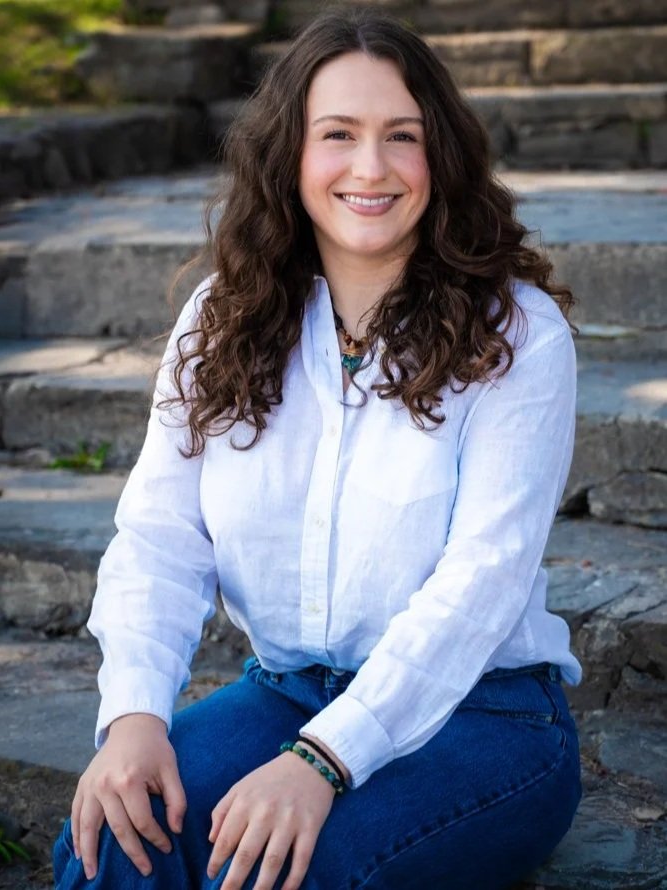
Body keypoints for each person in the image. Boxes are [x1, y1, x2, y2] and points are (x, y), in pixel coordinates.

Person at [53, 9, 583, 889]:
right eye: (337, 134)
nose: (369, 168)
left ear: (439, 156)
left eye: (400, 137)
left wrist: (324, 762)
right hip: (288, 690)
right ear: (291, 154)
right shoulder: (223, 318)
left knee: (295, 869)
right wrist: (135, 714)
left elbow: (481, 581)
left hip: (485, 715)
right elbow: (160, 538)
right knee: (114, 841)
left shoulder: (517, 335)